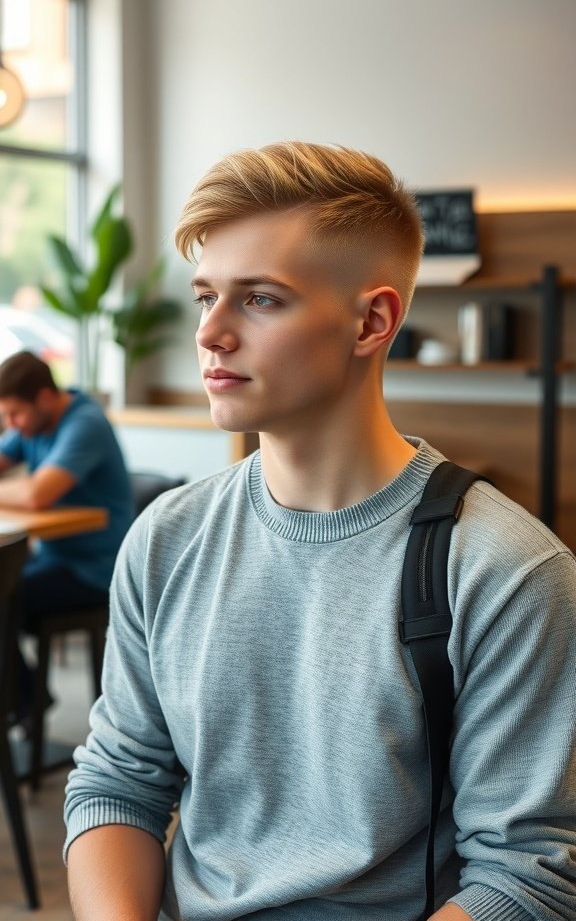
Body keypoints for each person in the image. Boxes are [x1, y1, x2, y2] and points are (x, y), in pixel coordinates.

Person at [64, 142, 576, 921]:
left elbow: (527, 877)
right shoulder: (165, 539)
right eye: (207, 296)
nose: (210, 333)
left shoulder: (507, 572)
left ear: (372, 321)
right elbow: (118, 783)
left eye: (260, 299)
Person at [0, 350, 133, 717]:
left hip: (95, 570)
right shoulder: (32, 424)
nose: (11, 425)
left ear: (44, 398)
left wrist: (20, 490)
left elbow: (35, 494)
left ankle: (22, 704)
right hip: (54, 559)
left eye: (15, 413)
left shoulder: (85, 422)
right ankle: (25, 700)